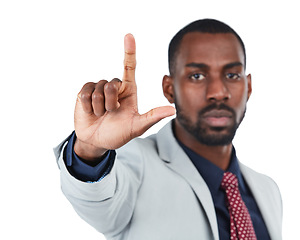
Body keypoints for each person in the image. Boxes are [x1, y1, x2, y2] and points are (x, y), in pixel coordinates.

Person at [54, 19, 282, 240]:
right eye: (197, 76)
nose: (218, 92)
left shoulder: (267, 189)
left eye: (232, 75)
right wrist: (90, 149)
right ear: (169, 88)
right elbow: (97, 202)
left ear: (248, 86)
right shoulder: (134, 164)